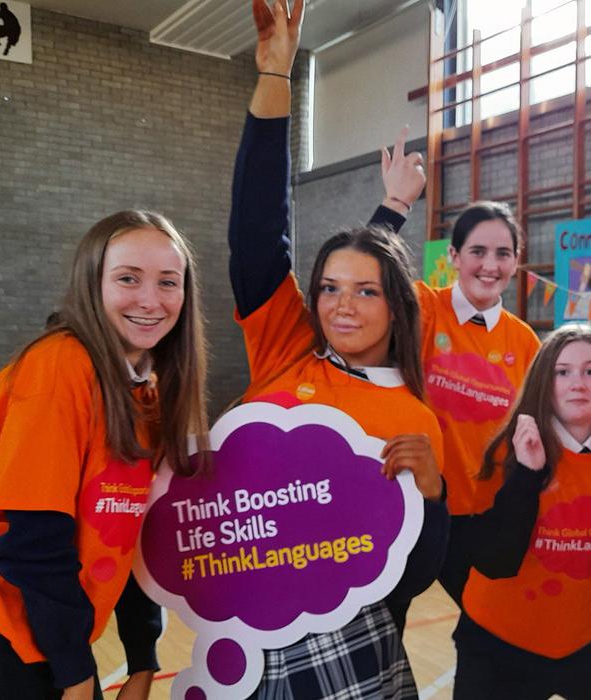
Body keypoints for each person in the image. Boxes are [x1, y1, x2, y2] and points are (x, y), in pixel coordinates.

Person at [0, 209, 210, 700]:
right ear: (91, 283)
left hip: (49, 648)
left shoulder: (143, 390)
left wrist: (142, 660)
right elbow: (34, 544)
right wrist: (78, 677)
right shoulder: (58, 371)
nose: (151, 300)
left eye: (169, 282)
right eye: (129, 278)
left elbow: (122, 534)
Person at [231, 1, 448, 696]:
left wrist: (435, 497)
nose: (341, 305)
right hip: (243, 634)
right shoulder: (286, 349)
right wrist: (275, 80)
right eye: (328, 289)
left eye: (364, 293)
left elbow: (408, 583)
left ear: (397, 307)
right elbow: (258, 234)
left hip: (353, 654)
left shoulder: (411, 416)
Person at [375, 133, 542, 605]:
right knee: (388, 628)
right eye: (477, 252)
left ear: (516, 261)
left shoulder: (525, 342)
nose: (490, 265)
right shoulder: (424, 308)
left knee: (489, 640)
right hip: (410, 505)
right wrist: (394, 203)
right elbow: (368, 273)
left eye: (503, 254)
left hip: (481, 521)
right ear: (453, 258)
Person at [453, 324, 591, 700]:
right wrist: (528, 476)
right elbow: (495, 561)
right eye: (562, 372)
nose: (577, 383)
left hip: (587, 639)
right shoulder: (508, 451)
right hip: (498, 643)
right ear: (544, 384)